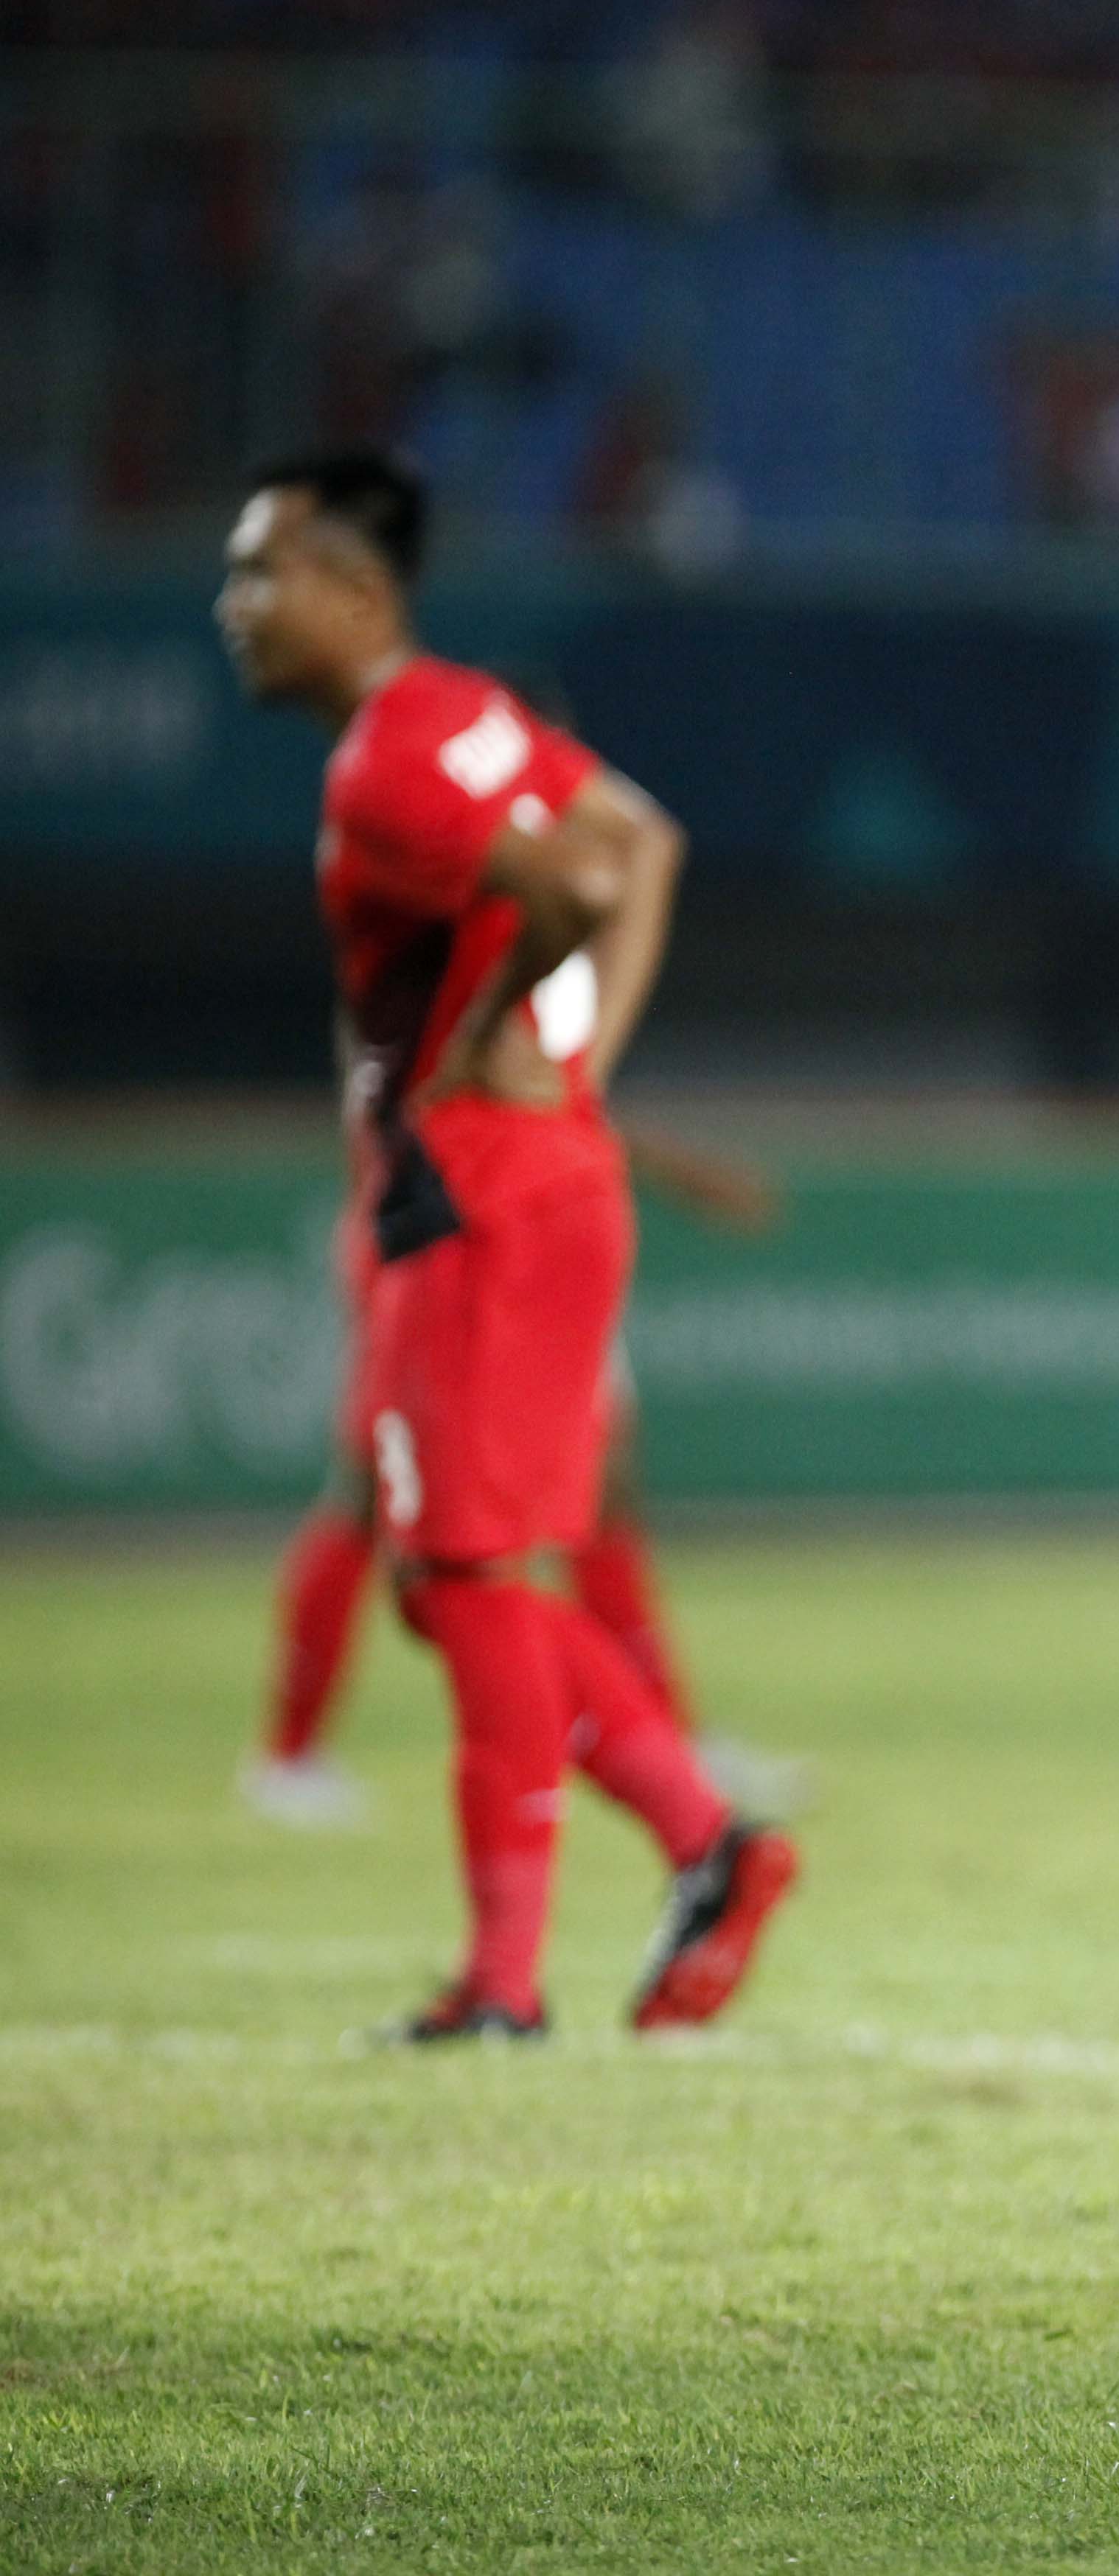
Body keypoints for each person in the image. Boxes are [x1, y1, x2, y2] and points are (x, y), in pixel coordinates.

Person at [217, 445, 798, 2044]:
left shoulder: (386, 768)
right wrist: (583, 1059)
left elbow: (582, 877)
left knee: (461, 1573)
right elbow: (648, 842)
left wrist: (486, 1045)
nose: (235, 605)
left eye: (262, 572)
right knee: (456, 1576)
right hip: (531, 1174)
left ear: (353, 588)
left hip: (472, 1189)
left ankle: (513, 1974)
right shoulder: (468, 712)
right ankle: (705, 1849)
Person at [244, 1120, 803, 1831]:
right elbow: (502, 1094)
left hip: (504, 1220)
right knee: (381, 1496)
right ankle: (290, 1756)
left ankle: (670, 1742)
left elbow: (534, 1095)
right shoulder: (466, 1018)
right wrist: (677, 1167)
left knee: (597, 1491)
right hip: (474, 1232)